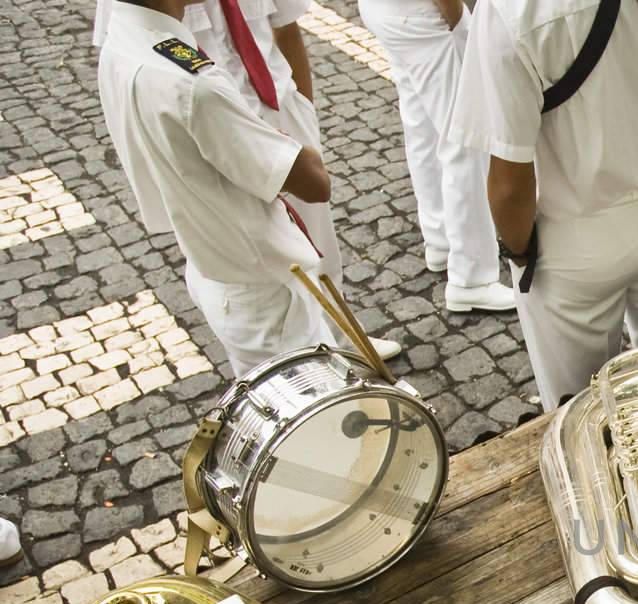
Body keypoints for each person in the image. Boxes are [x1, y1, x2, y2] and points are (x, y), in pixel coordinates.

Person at [450, 0, 638, 407]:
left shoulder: (507, 8)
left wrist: (519, 252)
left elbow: (508, 184)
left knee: (580, 413)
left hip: (570, 236)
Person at [98, 0, 335, 377]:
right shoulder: (194, 85)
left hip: (220, 270)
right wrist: (279, 137)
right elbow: (314, 182)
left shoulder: (123, 38)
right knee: (322, 425)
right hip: (267, 297)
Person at [357, 0, 517, 312]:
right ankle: (471, 278)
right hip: (423, 16)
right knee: (465, 139)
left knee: (422, 127)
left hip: (385, 11)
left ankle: (441, 237)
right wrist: (456, 16)